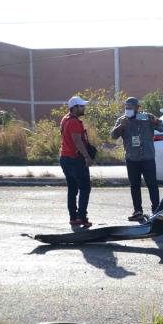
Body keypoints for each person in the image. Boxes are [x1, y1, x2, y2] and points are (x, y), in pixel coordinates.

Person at [111, 97, 163, 221]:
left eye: (131, 107)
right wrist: (121, 126)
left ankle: (156, 209)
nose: (128, 109)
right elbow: (113, 136)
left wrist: (156, 121)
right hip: (132, 159)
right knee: (134, 186)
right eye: (126, 107)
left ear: (137, 107)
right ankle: (138, 211)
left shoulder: (146, 117)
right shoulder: (122, 120)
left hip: (147, 158)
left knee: (152, 185)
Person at [59, 95, 94, 228]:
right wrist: (87, 157)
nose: (83, 108)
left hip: (65, 158)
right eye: (81, 106)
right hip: (75, 159)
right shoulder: (74, 122)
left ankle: (73, 218)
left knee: (72, 189)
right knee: (85, 188)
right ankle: (82, 217)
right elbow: (77, 141)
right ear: (74, 108)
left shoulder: (65, 119)